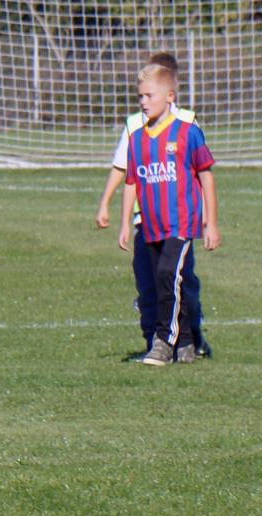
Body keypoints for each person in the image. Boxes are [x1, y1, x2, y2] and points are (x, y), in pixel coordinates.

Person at [95, 53, 210, 359]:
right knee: (150, 282)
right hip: (146, 220)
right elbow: (126, 170)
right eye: (141, 95)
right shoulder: (135, 127)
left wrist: (206, 218)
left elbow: (198, 171)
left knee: (179, 280)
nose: (144, 101)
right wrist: (107, 204)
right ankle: (156, 341)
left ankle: (188, 338)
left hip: (180, 220)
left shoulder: (187, 124)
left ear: (171, 92)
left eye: (150, 93)